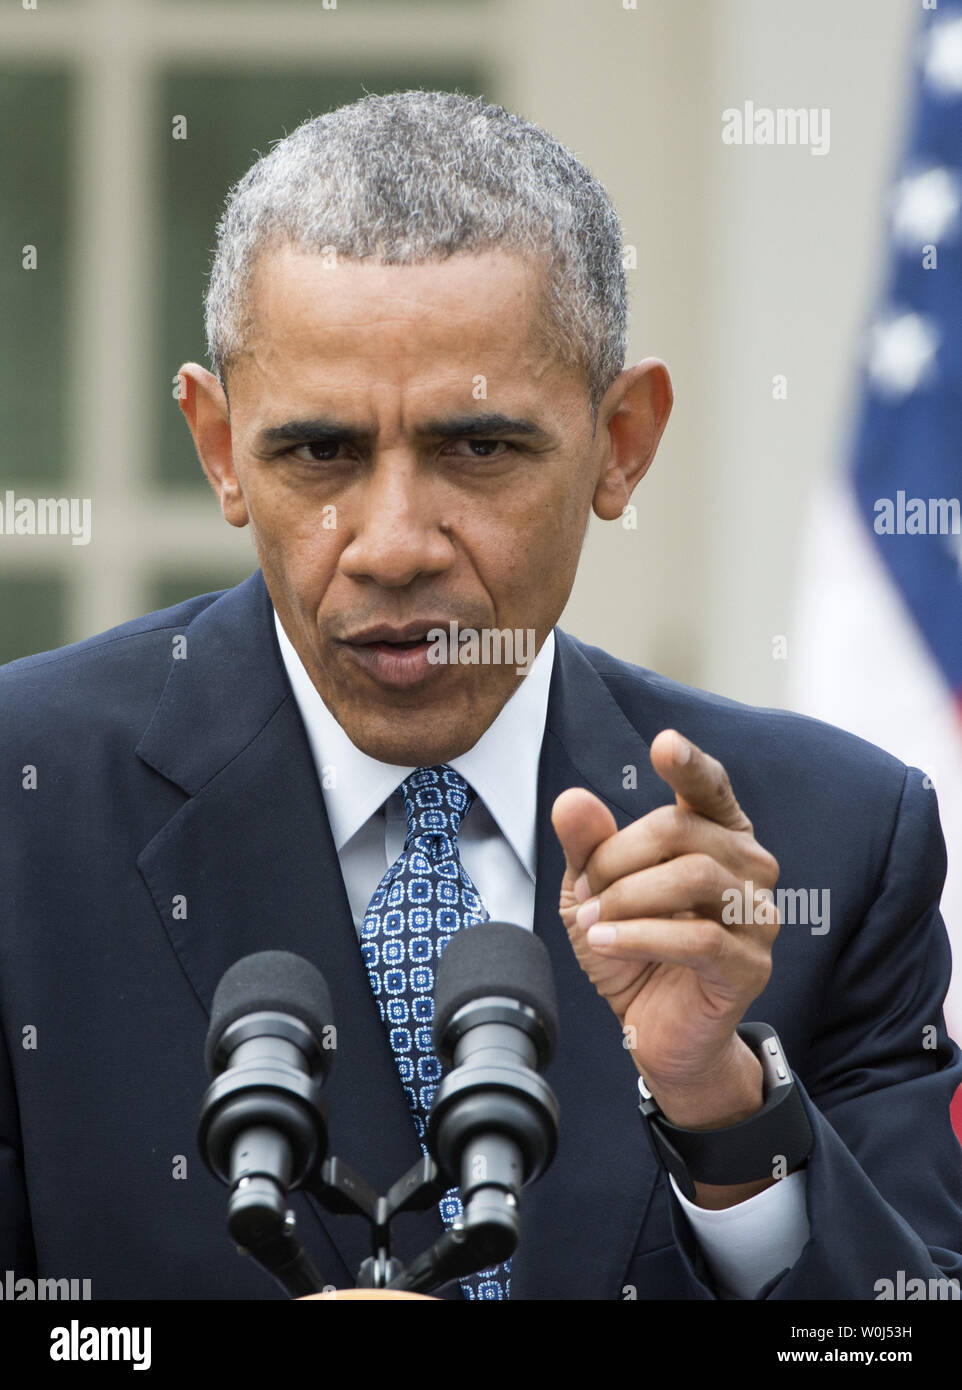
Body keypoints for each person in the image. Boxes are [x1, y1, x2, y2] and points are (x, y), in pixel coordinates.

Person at [1, 89, 960, 1302]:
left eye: (479, 449)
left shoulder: (833, 838)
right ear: (215, 444)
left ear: (622, 440)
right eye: (319, 453)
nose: (394, 543)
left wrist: (719, 1106)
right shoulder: (20, 806)